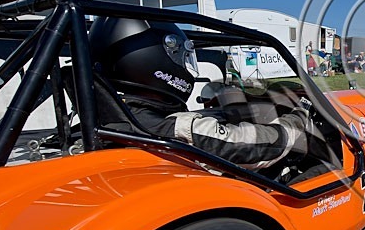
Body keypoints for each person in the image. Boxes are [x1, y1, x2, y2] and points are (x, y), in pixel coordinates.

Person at [88, 17, 309, 170]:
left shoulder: (118, 116)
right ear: (156, 60)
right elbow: (259, 147)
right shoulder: (176, 126)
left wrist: (218, 111)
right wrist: (299, 116)